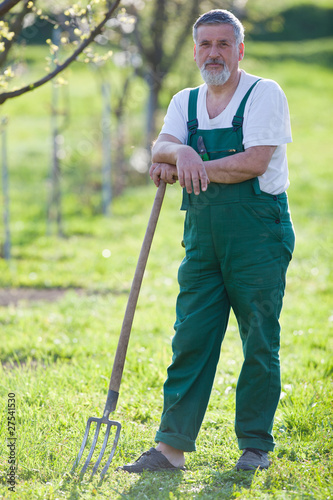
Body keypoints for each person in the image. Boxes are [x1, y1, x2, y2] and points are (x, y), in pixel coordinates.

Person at [119, 9, 295, 473]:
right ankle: (170, 448)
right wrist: (179, 152)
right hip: (202, 237)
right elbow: (160, 146)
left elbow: (254, 161)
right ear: (195, 50)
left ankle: (255, 444)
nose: (212, 53)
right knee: (191, 334)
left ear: (239, 50)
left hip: (258, 234)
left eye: (222, 44)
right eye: (204, 44)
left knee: (259, 336)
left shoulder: (263, 94)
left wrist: (186, 167)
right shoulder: (186, 100)